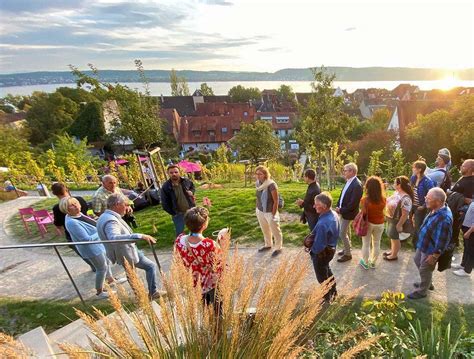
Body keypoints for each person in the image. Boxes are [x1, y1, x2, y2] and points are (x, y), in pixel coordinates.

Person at [96, 193, 161, 299]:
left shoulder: (105, 216)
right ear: (117, 204)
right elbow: (113, 237)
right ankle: (150, 293)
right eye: (125, 205)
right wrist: (139, 236)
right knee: (148, 267)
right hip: (124, 251)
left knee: (132, 273)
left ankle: (141, 295)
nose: (127, 208)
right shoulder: (110, 220)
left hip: (125, 250)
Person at [60, 197, 126, 298]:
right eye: (72, 205)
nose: (76, 206)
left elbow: (90, 225)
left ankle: (111, 280)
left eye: (76, 203)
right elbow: (86, 239)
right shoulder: (71, 222)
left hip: (98, 245)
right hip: (91, 249)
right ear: (66, 209)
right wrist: (101, 231)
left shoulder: (78, 214)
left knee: (107, 263)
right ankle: (99, 291)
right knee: (101, 268)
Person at [174, 207, 227, 307]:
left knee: (205, 312)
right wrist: (221, 240)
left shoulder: (179, 240)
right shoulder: (209, 245)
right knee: (217, 314)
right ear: (204, 225)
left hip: (193, 285)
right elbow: (219, 265)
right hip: (211, 286)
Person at [408, 188, 453, 299]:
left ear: (437, 201)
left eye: (428, 198)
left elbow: (443, 241)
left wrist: (434, 256)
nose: (425, 200)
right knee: (417, 260)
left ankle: (422, 291)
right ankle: (427, 282)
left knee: (425, 268)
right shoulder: (435, 208)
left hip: (430, 250)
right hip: (424, 245)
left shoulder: (444, 218)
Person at [51, 182, 96, 272]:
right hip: (89, 229)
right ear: (67, 189)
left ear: (54, 193)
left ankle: (95, 267)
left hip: (72, 236)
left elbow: (58, 224)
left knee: (83, 253)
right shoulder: (79, 199)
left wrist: (60, 230)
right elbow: (87, 212)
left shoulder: (57, 207)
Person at [308, 192, 339, 302]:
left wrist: (312, 252)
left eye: (316, 204)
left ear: (324, 206)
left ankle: (326, 298)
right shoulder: (334, 214)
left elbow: (319, 245)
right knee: (327, 270)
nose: (314, 206)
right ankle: (334, 292)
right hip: (331, 249)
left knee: (322, 277)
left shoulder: (323, 223)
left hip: (322, 253)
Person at [335, 163, 363, 262]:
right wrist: (338, 205)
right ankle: (347, 248)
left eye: (345, 170)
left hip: (349, 213)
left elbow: (353, 204)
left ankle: (348, 254)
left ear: (351, 171)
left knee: (342, 233)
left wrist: (341, 210)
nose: (344, 172)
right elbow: (342, 195)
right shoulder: (349, 181)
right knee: (346, 231)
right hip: (344, 211)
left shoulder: (357, 185)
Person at [255, 165, 284, 257]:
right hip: (260, 211)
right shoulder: (258, 183)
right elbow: (257, 197)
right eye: (257, 174)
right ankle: (268, 245)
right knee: (265, 229)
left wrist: (274, 214)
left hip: (270, 211)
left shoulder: (271, 185)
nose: (258, 176)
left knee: (275, 230)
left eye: (260, 174)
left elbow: (275, 200)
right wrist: (257, 208)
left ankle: (278, 247)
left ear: (265, 174)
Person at [359, 176, 386, 269]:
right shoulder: (383, 199)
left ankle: (365, 263)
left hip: (369, 223)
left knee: (366, 243)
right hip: (380, 223)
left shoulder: (364, 200)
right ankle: (373, 262)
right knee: (377, 243)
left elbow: (364, 213)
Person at [384, 176, 414, 261]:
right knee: (392, 236)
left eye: (394, 182)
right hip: (392, 219)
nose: (393, 184)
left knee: (395, 238)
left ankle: (394, 255)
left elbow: (405, 214)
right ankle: (392, 251)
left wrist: (399, 225)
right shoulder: (397, 193)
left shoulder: (406, 198)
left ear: (399, 185)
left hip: (397, 221)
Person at [161, 165, 196, 236]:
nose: (174, 174)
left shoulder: (186, 181)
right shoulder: (166, 186)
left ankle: (195, 244)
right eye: (171, 173)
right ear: (168, 174)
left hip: (191, 210)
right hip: (178, 214)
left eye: (176, 172)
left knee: (195, 230)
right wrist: (174, 213)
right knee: (180, 233)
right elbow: (164, 203)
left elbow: (192, 186)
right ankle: (180, 246)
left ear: (179, 172)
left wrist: (192, 192)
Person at [448, 159, 474, 248]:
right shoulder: (463, 178)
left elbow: (469, 200)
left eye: (464, 166)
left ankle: (453, 246)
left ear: (470, 168)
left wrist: (455, 195)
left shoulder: (471, 182)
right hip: (454, 209)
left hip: (460, 212)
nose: (461, 167)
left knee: (455, 229)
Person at [410, 160, 435, 247]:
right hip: (412, 204)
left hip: (420, 207)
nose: (412, 169)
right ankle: (413, 241)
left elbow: (431, 195)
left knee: (418, 226)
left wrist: (424, 206)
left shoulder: (427, 181)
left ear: (419, 169)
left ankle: (417, 244)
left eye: (414, 167)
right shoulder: (413, 178)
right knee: (410, 222)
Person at [452, 202, 474, 277]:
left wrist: (469, 232)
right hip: (467, 228)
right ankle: (463, 265)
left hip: (471, 230)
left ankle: (467, 270)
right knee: (466, 248)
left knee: (471, 251)